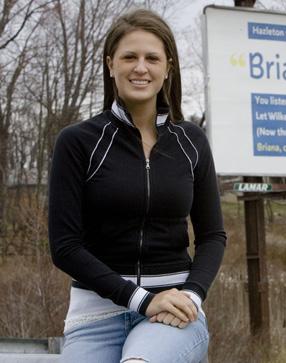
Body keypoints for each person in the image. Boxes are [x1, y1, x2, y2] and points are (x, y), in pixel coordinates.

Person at [48, 8, 226, 363]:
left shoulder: (191, 141)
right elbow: (65, 246)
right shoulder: (78, 142)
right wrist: (142, 300)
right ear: (110, 64)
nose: (140, 68)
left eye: (152, 58)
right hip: (95, 316)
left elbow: (212, 236)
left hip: (174, 313)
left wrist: (191, 295)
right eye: (130, 57)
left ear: (167, 68)